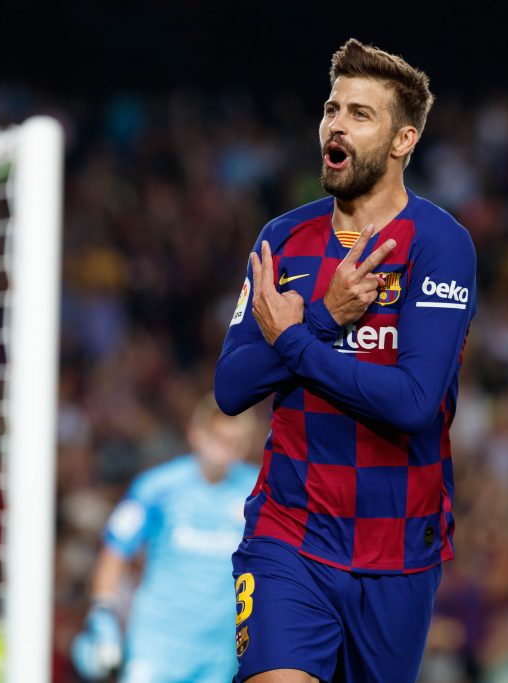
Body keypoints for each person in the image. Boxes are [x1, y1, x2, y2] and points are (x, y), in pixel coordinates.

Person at [215, 38, 477, 683]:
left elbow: (412, 403)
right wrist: (326, 317)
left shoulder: (439, 244)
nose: (336, 124)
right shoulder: (283, 239)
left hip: (398, 547)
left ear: (403, 140)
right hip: (288, 534)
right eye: (332, 109)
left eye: (361, 114)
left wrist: (297, 340)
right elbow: (231, 387)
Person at [70, 392, 260, 683]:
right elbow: (116, 548)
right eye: (217, 438)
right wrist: (103, 613)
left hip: (218, 651)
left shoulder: (256, 491)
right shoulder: (158, 486)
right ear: (196, 434)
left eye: (233, 442)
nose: (223, 449)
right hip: (157, 642)